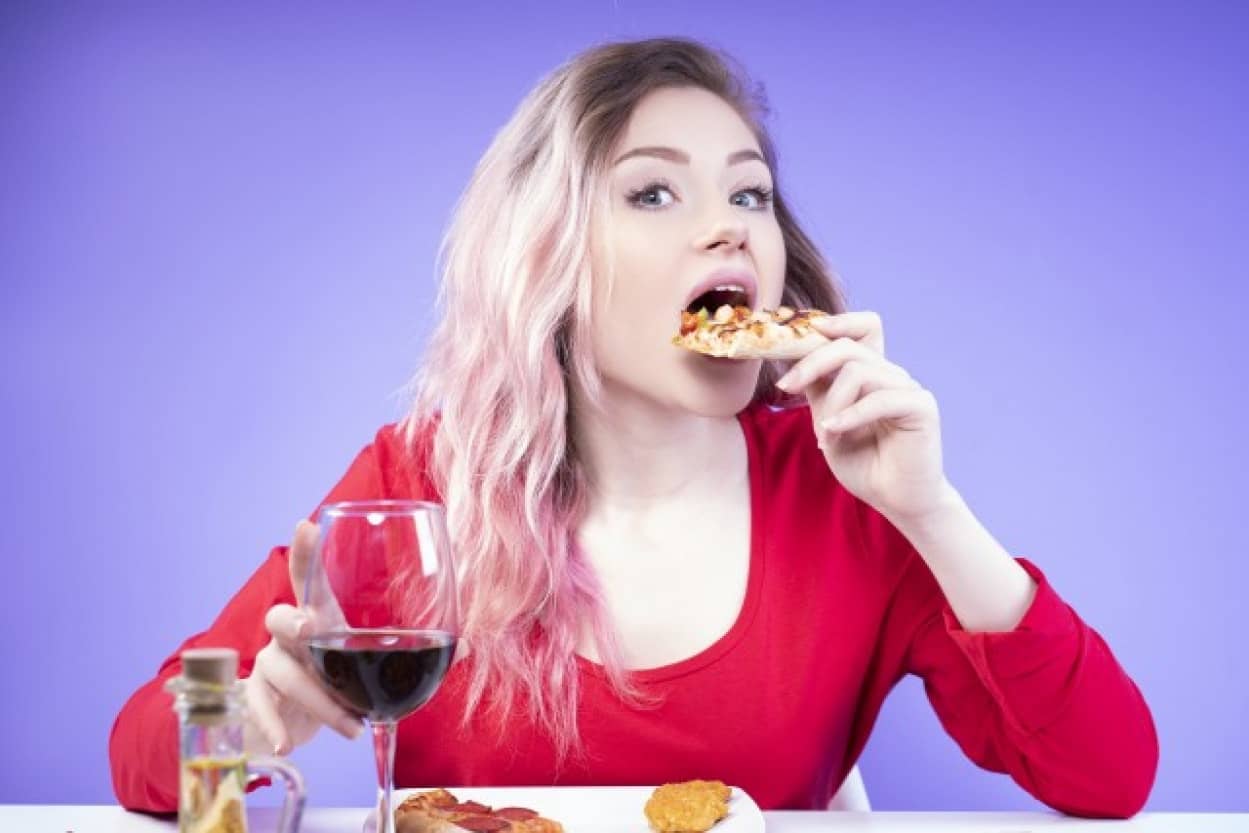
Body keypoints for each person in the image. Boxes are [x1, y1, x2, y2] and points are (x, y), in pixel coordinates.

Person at [110, 37, 1158, 817]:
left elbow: (1108, 779)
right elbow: (146, 749)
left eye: (750, 193)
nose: (728, 224)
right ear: (547, 260)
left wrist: (933, 510)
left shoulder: (851, 493)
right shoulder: (422, 479)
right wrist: (238, 728)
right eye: (653, 191)